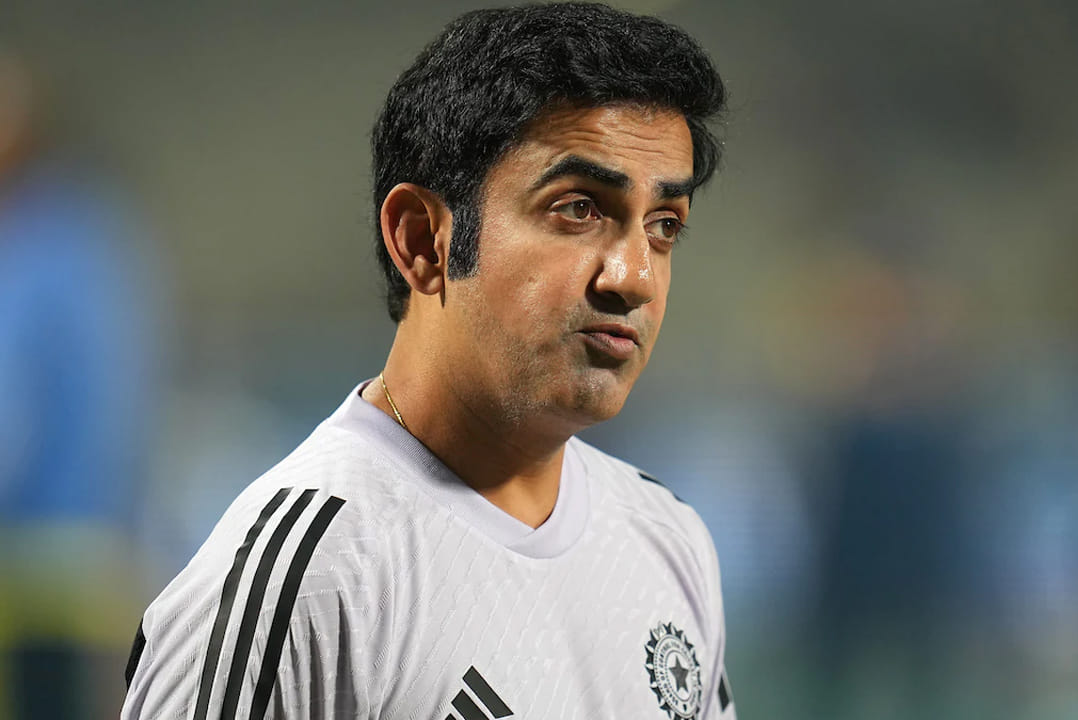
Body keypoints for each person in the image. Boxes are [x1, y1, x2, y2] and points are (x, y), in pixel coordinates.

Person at [120, 4, 733, 719]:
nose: (634, 277)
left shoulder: (669, 539)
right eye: (578, 209)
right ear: (422, 241)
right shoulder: (307, 580)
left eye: (664, 226)